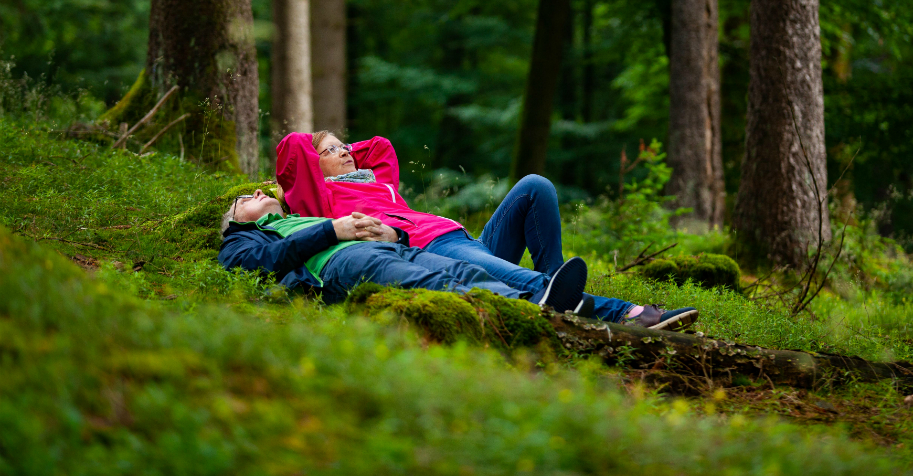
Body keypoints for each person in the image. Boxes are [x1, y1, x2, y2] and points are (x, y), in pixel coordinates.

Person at [275, 131, 700, 331]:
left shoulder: (377, 181)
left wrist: (339, 148)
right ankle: (628, 313)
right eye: (332, 150)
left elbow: (381, 146)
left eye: (346, 145)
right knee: (521, 279)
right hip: (430, 251)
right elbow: (295, 149)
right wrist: (314, 149)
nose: (347, 151)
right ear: (313, 167)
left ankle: (557, 296)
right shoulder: (320, 202)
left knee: (536, 186)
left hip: (463, 239)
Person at [219, 189, 590, 311]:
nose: (256, 193)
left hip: (392, 247)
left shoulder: (302, 216)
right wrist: (332, 230)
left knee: (466, 273)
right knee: (429, 281)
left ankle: (537, 306)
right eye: (243, 199)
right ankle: (530, 311)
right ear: (235, 220)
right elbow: (261, 264)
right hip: (346, 260)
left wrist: (392, 233)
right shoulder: (242, 239)